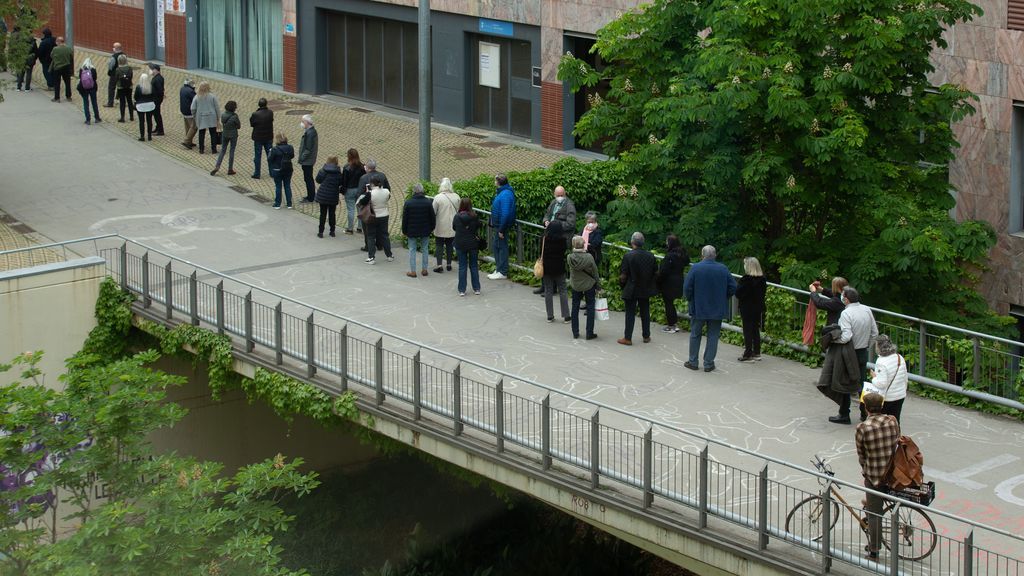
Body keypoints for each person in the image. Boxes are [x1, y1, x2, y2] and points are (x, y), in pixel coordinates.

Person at [855, 392, 900, 561]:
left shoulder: (862, 428)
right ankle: (870, 506)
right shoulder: (892, 421)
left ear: (865, 407)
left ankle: (874, 550)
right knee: (872, 504)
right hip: (893, 474)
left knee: (875, 514)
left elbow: (861, 455)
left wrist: (866, 469)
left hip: (874, 476)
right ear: (882, 406)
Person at [683, 245, 737, 372]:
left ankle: (693, 361)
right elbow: (733, 287)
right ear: (715, 255)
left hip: (699, 307)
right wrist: (724, 298)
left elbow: (687, 288)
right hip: (717, 308)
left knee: (695, 334)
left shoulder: (695, 268)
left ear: (702, 255)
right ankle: (708, 363)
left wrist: (691, 299)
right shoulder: (723, 269)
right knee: (713, 336)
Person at [832, 286, 879, 423]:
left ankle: (844, 414)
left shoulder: (846, 314)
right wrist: (866, 345)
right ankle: (865, 413)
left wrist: (835, 340)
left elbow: (846, 336)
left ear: (846, 299)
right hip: (862, 351)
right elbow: (874, 332)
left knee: (845, 383)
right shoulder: (867, 309)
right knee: (862, 384)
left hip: (848, 351)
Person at [533, 185, 578, 294]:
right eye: (558, 195)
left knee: (553, 262)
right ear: (554, 195)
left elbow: (570, 224)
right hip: (548, 236)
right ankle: (544, 286)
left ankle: (552, 288)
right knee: (544, 260)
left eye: (561, 195)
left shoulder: (569, 206)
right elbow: (547, 215)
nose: (560, 197)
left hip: (560, 238)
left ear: (565, 194)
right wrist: (545, 222)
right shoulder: (553, 203)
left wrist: (554, 225)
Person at [618, 232, 658, 346]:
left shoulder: (628, 256)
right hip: (645, 287)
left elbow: (623, 275)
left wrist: (622, 286)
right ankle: (646, 336)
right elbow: (655, 272)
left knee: (630, 313)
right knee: (645, 311)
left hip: (632, 287)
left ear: (632, 242)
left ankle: (628, 338)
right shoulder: (650, 256)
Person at [867, 334, 908, 423]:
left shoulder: (881, 362)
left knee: (880, 422)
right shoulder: (899, 357)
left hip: (888, 397)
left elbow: (881, 384)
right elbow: (905, 377)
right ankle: (897, 436)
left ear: (879, 346)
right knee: (895, 421)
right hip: (900, 395)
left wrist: (874, 377)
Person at [736, 256, 768, 361]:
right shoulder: (762, 280)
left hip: (747, 307)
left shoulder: (746, 280)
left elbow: (738, 293)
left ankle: (748, 353)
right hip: (758, 307)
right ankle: (757, 352)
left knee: (747, 330)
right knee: (755, 329)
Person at [568, 235, 599, 340]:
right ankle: (589, 332)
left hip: (576, 285)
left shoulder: (570, 257)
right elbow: (595, 272)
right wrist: (598, 285)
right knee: (590, 307)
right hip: (588, 285)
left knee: (575, 307)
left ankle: (575, 332)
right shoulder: (589, 257)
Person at [401, 184, 436, 278]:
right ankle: (424, 270)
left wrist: (404, 231)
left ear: (414, 191)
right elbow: (432, 217)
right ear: (422, 191)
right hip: (425, 229)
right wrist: (432, 228)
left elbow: (405, 219)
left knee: (412, 249)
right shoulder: (428, 202)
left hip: (412, 230)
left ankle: (413, 271)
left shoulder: (408, 202)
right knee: (425, 249)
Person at [657, 235, 689, 333]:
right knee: (671, 303)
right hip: (679, 280)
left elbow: (664, 270)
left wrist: (658, 279)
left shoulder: (670, 256)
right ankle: (674, 323)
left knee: (668, 303)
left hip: (668, 282)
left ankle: (671, 325)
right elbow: (687, 262)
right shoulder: (682, 254)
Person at [488, 174, 516, 280]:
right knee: (497, 247)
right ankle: (499, 269)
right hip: (500, 226)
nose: (494, 182)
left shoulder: (505, 195)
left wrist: (501, 230)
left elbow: (505, 213)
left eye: (495, 181)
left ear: (498, 182)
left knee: (501, 248)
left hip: (501, 227)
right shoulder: (504, 193)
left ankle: (502, 271)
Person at [541, 221, 571, 323]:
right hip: (559, 267)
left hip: (547, 267)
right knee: (562, 290)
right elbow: (564, 252)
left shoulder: (545, 239)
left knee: (548, 290)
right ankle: (566, 316)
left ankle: (550, 316)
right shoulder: (563, 240)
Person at [453, 197, 482, 296]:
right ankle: (476, 288)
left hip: (460, 243)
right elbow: (479, 226)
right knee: (474, 266)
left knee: (462, 266)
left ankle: (462, 290)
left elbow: (454, 227)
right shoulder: (475, 216)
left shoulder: (457, 217)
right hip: (472, 243)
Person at [361, 174, 394, 264]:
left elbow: (362, 202)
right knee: (384, 235)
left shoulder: (370, 193)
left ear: (371, 183)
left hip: (373, 216)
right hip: (384, 215)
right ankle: (389, 255)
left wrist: (367, 192)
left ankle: (371, 257)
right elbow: (387, 198)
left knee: (371, 236)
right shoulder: (386, 191)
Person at [355, 159, 390, 239]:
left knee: (368, 228)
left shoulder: (363, 178)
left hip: (368, 208)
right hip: (381, 208)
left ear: (367, 168)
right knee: (380, 228)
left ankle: (368, 246)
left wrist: (361, 204)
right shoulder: (382, 175)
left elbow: (359, 194)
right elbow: (388, 190)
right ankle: (379, 244)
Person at [432, 178, 460, 273]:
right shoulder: (456, 196)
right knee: (450, 245)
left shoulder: (438, 197)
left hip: (440, 225)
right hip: (453, 225)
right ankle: (449, 264)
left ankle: (439, 265)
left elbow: (433, 212)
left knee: (439, 245)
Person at [313, 156, 343, 237]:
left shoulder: (323, 170)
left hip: (323, 195)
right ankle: (332, 231)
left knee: (323, 214)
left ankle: (320, 232)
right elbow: (340, 183)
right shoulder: (338, 172)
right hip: (333, 195)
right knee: (332, 213)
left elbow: (318, 180)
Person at [210, 101, 240, 176]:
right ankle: (230, 169)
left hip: (225, 134)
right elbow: (239, 126)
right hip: (233, 135)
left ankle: (217, 166)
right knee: (232, 151)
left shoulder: (223, 115)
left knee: (223, 150)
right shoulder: (235, 116)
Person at [341, 149, 366, 234]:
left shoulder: (346, 167)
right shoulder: (362, 167)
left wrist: (342, 191)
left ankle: (350, 229)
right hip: (359, 189)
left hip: (350, 190)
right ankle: (360, 227)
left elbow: (344, 181)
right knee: (360, 208)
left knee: (350, 209)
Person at [267, 132, 295, 209]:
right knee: (287, 185)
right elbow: (292, 156)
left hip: (277, 169)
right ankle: (289, 204)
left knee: (278, 186)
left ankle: (277, 204)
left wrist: (270, 152)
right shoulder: (290, 147)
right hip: (288, 169)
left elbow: (269, 159)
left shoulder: (274, 149)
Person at [191, 81, 220, 154]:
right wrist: (218, 118)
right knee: (213, 133)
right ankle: (214, 149)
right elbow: (217, 108)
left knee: (201, 133)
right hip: (212, 116)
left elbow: (193, 108)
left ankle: (201, 149)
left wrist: (194, 116)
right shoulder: (212, 96)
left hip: (201, 117)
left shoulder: (197, 97)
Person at [249, 97, 274, 179]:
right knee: (270, 155)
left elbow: (252, 124)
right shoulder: (270, 112)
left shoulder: (255, 114)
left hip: (258, 137)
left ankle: (257, 173)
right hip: (268, 136)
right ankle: (272, 172)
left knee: (257, 156)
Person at [297, 115, 319, 203]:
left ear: (307, 122)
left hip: (307, 161)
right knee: (308, 178)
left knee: (308, 178)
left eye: (303, 122)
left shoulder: (310, 133)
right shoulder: (310, 132)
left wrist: (302, 158)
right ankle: (311, 195)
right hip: (308, 160)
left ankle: (311, 197)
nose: (302, 123)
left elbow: (308, 149)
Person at [75, 58, 101, 125]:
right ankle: (97, 118)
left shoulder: (81, 69)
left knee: (86, 103)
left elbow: (80, 78)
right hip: (92, 88)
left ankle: (88, 119)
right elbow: (95, 78)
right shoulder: (93, 69)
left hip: (84, 88)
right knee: (94, 102)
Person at [49, 37, 73, 103]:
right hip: (66, 67)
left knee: (57, 83)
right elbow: (71, 55)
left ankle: (57, 98)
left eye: (56, 42)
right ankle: (68, 96)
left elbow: (51, 56)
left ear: (58, 42)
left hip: (57, 68)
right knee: (67, 82)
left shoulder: (55, 49)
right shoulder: (68, 48)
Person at [134, 73, 156, 141]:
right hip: (150, 105)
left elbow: (135, 97)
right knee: (149, 121)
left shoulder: (138, 87)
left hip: (141, 106)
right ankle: (149, 136)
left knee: (141, 121)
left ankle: (142, 136)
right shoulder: (151, 87)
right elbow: (154, 95)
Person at [114, 55, 134, 123]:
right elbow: (131, 76)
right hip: (129, 86)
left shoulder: (118, 69)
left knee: (122, 102)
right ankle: (131, 116)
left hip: (121, 87)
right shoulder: (130, 68)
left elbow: (116, 78)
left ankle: (122, 117)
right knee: (130, 101)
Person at [179, 79, 197, 149]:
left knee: (187, 126)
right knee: (194, 127)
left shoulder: (182, 89)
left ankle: (189, 141)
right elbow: (195, 99)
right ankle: (186, 141)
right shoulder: (190, 91)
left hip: (183, 110)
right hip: (190, 112)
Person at [105, 42, 124, 107]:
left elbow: (111, 66)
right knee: (121, 87)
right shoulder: (124, 55)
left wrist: (109, 72)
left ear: (116, 49)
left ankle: (110, 103)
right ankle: (121, 100)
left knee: (111, 88)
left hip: (114, 74)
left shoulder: (114, 57)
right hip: (122, 73)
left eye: (113, 47)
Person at [148, 63, 165, 135]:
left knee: (157, 114)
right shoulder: (157, 77)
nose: (151, 70)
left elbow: (160, 90)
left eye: (152, 69)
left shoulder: (157, 79)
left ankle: (160, 130)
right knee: (156, 114)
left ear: (156, 70)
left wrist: (160, 96)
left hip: (156, 100)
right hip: (156, 99)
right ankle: (158, 128)